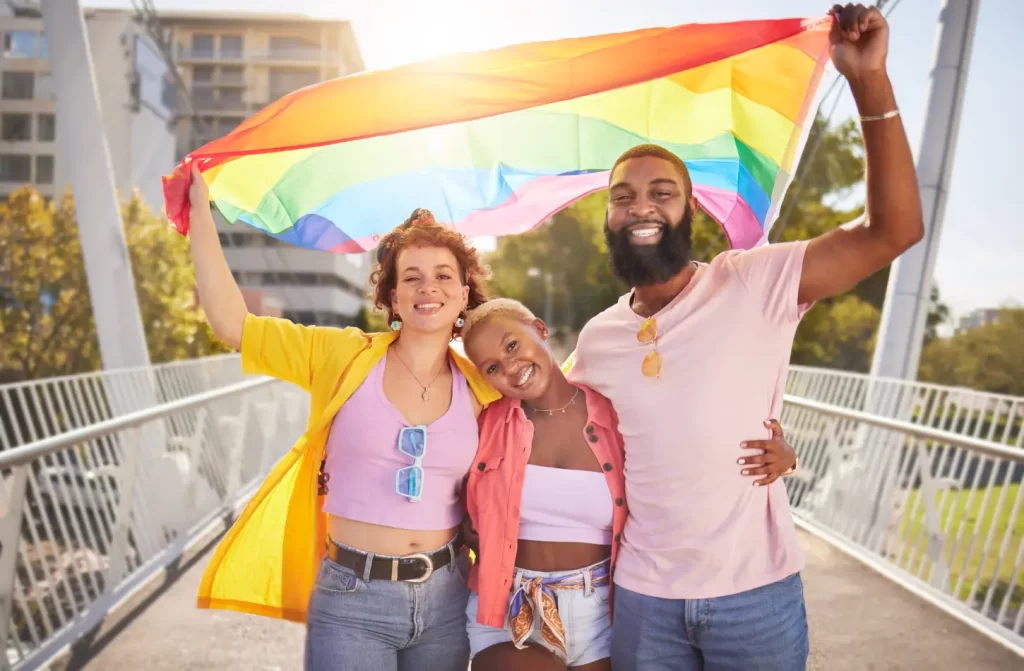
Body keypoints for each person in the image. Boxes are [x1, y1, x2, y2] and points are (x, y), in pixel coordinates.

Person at [563, 4, 924, 670]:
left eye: (661, 191)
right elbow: (543, 425)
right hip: (643, 596)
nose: (640, 205)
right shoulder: (598, 338)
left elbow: (891, 232)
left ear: (689, 208)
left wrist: (870, 80)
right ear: (608, 217)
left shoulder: (756, 280)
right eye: (622, 195)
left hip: (755, 596)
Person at [185, 171, 500, 671]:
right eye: (411, 276)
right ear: (392, 298)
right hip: (353, 600)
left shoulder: (485, 387)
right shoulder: (341, 356)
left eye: (444, 275)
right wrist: (200, 216)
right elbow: (232, 325)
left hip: (447, 599)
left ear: (464, 295)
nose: (428, 287)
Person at [459, 299, 797, 670]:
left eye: (512, 345)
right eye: (492, 367)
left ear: (539, 329)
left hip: (601, 612)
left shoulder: (615, 413)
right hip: (508, 607)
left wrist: (787, 458)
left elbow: (694, 443)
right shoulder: (484, 424)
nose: (510, 367)